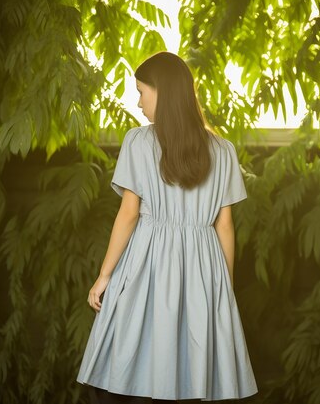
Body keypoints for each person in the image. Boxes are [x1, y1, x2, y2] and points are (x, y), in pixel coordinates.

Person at [77, 52, 257, 403]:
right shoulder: (223, 150)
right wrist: (225, 286)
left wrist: (104, 275)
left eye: (142, 91)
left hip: (148, 263)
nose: (138, 101)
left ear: (162, 92)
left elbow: (129, 213)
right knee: (193, 367)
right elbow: (225, 225)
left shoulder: (139, 141)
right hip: (204, 269)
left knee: (131, 360)